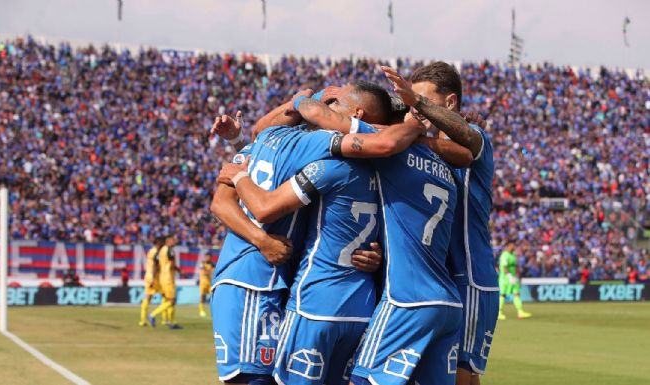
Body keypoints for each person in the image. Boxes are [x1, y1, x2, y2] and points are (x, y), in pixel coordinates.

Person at [291, 67, 475, 385]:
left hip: (407, 299)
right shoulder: (446, 166)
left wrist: (307, 99)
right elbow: (465, 152)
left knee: (361, 380)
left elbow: (327, 121)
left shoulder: (391, 149)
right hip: (447, 303)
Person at [216, 81, 394, 385]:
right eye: (329, 102)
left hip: (284, 282)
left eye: (335, 103)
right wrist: (262, 240)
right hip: (251, 278)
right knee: (252, 379)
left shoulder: (272, 140)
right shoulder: (320, 146)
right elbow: (221, 203)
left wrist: (372, 251)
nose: (329, 110)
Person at [392, 62, 500, 384]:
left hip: (470, 277)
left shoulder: (476, 137)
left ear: (450, 102)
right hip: (437, 282)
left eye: (423, 99)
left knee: (461, 377)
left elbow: (464, 136)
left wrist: (416, 117)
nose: (416, 107)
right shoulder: (424, 149)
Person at [148, 235, 183, 329]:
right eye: (173, 239)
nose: (175, 241)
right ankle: (153, 314)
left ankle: (169, 322)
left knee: (167, 299)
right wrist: (180, 272)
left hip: (162, 278)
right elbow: (172, 265)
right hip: (168, 278)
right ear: (168, 241)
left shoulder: (162, 250)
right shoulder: (170, 250)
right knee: (172, 300)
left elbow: (157, 265)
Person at [498, 242, 531, 320]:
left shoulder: (513, 254)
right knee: (503, 295)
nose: (514, 246)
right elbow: (504, 267)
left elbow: (515, 266)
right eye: (512, 245)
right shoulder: (504, 255)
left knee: (516, 293)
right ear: (508, 246)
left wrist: (517, 276)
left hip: (513, 277)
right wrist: (509, 276)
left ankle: (520, 312)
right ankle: (499, 313)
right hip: (505, 278)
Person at [139, 236, 164, 327]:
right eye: (162, 242)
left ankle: (143, 320)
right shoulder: (156, 252)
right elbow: (155, 266)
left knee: (148, 297)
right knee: (166, 297)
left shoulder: (151, 251)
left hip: (149, 275)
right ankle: (164, 319)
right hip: (154, 276)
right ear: (158, 242)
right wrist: (153, 278)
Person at [198, 252, 215, 317]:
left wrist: (209, 272)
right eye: (207, 257)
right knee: (202, 297)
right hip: (203, 283)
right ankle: (201, 311)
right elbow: (204, 272)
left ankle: (213, 310)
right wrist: (209, 272)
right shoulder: (202, 263)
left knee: (213, 297)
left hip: (209, 283)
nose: (208, 258)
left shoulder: (212, 264)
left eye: (209, 257)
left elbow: (212, 272)